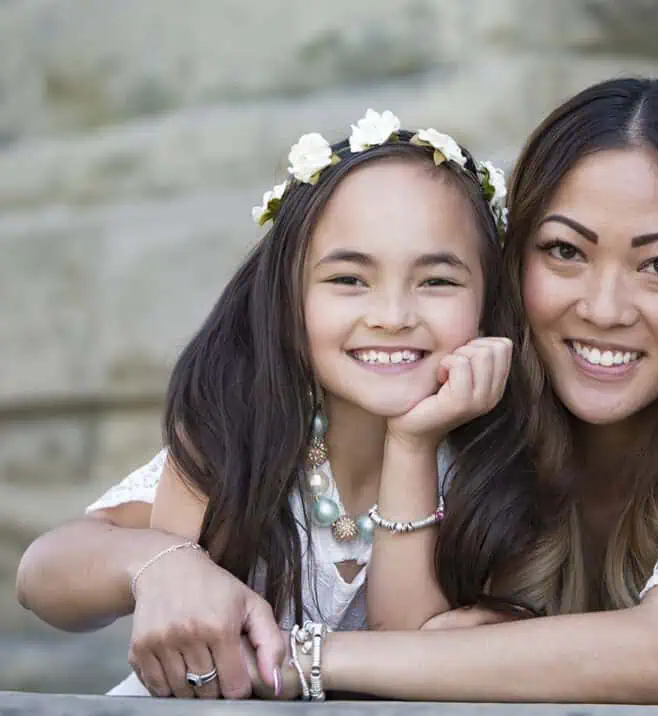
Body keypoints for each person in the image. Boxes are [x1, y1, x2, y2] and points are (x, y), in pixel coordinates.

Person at [19, 77, 658, 704]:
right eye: (564, 251)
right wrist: (164, 566)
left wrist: (296, 657)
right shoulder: (462, 402)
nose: (604, 307)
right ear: (516, 267)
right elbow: (64, 564)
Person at [18, 108, 512, 699]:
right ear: (289, 300)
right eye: (349, 280)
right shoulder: (246, 434)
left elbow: (406, 669)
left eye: (436, 281)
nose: (393, 316)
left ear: (491, 302)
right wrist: (162, 563)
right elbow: (41, 576)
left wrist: (413, 442)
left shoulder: (499, 469)